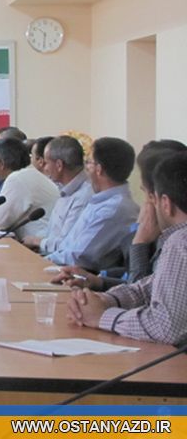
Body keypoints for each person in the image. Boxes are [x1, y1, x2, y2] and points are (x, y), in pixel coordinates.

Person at [66, 152, 187, 345]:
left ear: (165, 203)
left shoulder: (180, 241)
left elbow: (166, 328)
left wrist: (102, 317)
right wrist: (106, 299)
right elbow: (150, 287)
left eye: (151, 198)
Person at [54, 139, 187, 290]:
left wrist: (140, 243)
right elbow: (142, 287)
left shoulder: (176, 243)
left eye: (146, 193)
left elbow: (145, 295)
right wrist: (98, 281)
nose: (146, 204)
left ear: (162, 199)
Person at [46, 137, 139, 272]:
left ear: (99, 169)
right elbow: (68, 246)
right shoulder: (102, 200)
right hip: (61, 265)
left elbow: (78, 257)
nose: (86, 168)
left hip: (75, 275)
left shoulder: (113, 209)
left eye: (88, 162)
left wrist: (39, 261)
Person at [23, 135, 93, 254]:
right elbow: (53, 233)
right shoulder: (64, 188)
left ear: (59, 165)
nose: (44, 168)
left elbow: (67, 245)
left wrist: (36, 241)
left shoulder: (84, 195)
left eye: (46, 163)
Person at [0, 137, 59, 241]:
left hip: (39, 246)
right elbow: (1, 213)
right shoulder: (28, 175)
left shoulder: (18, 179)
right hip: (42, 242)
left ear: (1, 163)